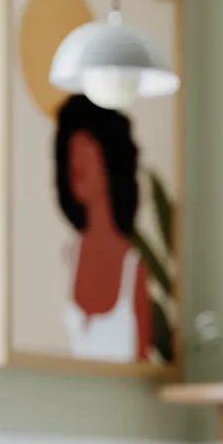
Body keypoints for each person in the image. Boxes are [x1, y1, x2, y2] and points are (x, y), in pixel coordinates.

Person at [53, 94, 152, 362]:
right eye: (72, 159)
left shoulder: (135, 268)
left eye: (86, 154)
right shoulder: (66, 258)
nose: (78, 168)